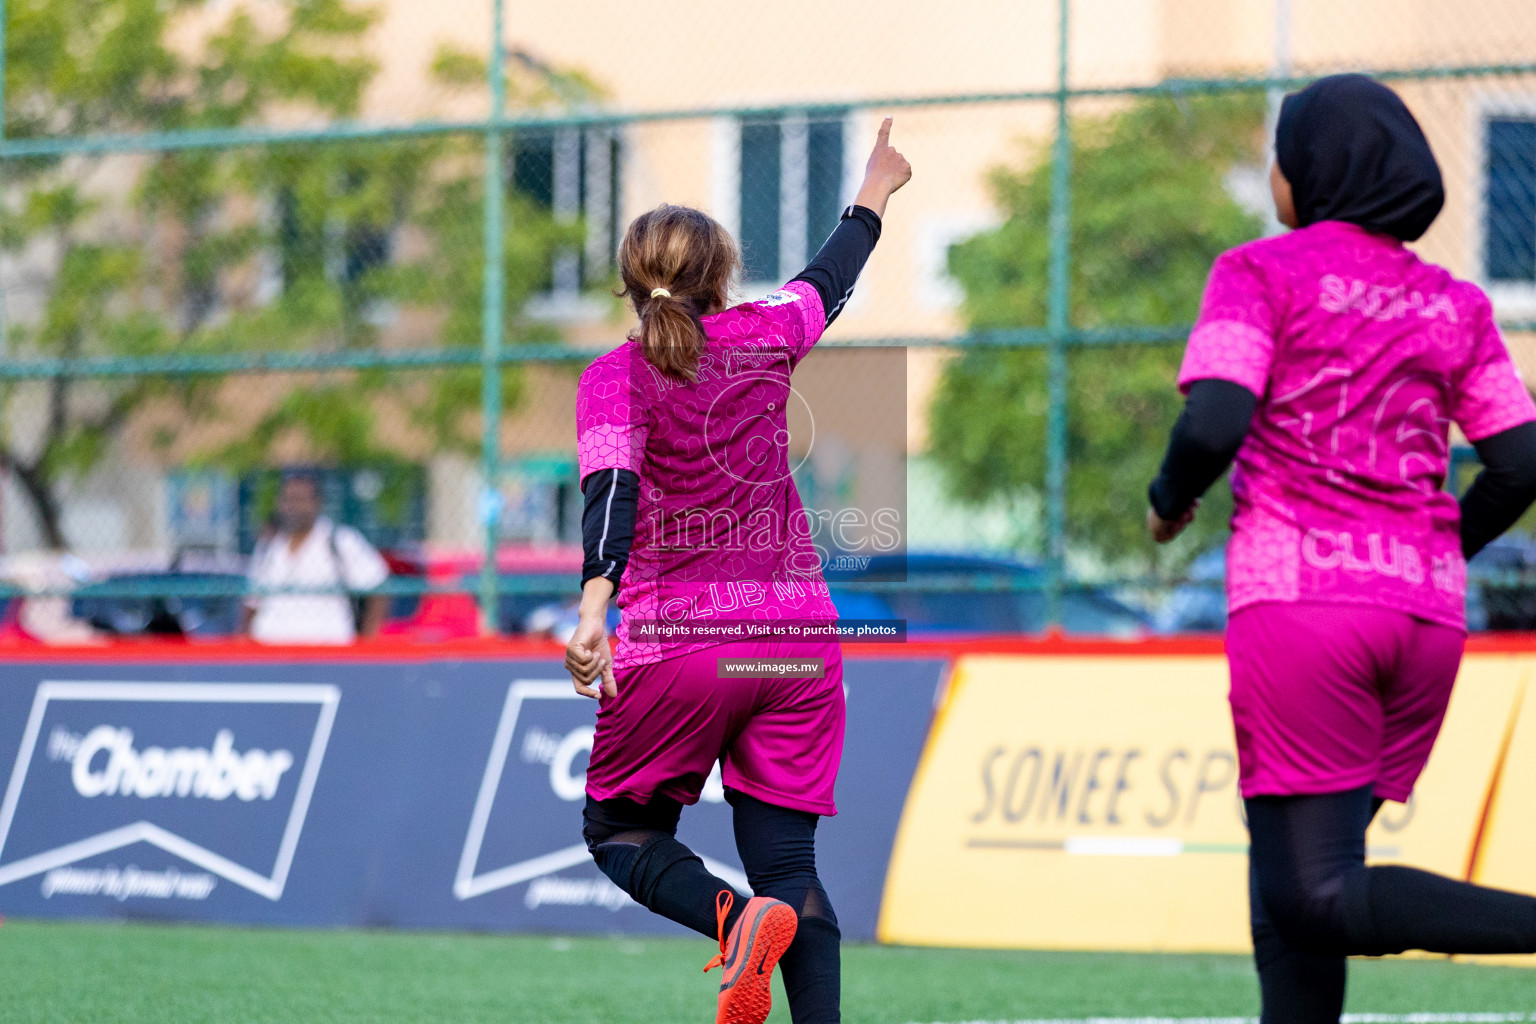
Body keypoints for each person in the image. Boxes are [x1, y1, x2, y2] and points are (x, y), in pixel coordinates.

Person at [1147, 74, 1536, 1024]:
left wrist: (1168, 501)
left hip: (1306, 608)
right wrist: (1440, 550)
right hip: (1425, 622)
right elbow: (1521, 461)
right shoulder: (1454, 303)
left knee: (1311, 894)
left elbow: (1215, 420)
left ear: (1306, 174)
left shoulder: (1261, 272)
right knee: (1289, 862)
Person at [565, 119, 910, 1024]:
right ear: (723, 277)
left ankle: (733, 919)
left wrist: (596, 603)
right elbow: (828, 280)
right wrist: (873, 191)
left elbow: (612, 490)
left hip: (680, 641)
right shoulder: (767, 337)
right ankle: (779, 936)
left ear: (630, 284)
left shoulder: (615, 375)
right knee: (794, 875)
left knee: (620, 831)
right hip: (797, 643)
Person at [243, 470, 390, 644]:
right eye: (287, 499)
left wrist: (365, 643)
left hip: (327, 649)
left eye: (300, 500)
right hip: (269, 650)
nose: (292, 506)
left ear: (317, 503)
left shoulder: (341, 541)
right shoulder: (268, 546)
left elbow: (379, 588)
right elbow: (252, 603)